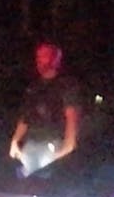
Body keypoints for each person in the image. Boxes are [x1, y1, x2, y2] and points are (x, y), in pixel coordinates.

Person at [9, 41, 80, 176]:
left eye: (44, 56)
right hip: (31, 143)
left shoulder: (66, 85)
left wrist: (68, 144)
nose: (39, 60)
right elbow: (25, 117)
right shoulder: (34, 87)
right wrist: (15, 141)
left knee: (46, 181)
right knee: (24, 182)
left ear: (55, 59)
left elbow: (71, 115)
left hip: (52, 143)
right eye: (38, 56)